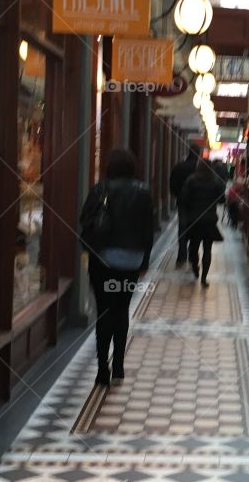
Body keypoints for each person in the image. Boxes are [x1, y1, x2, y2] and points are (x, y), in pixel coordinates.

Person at [79, 147, 155, 387]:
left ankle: (102, 369)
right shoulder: (143, 192)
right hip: (130, 261)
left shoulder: (100, 189)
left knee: (104, 311)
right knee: (122, 309)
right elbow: (148, 229)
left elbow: (85, 220)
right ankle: (119, 366)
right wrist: (145, 260)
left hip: (103, 260)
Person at [179, 158, 225, 287]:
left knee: (193, 246)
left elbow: (184, 198)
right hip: (209, 220)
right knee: (207, 249)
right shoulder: (216, 182)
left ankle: (195, 266)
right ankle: (204, 278)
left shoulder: (191, 180)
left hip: (194, 220)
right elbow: (221, 200)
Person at [169, 148, 198, 266]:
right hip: (197, 204)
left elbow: (172, 183)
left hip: (182, 202)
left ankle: (181, 256)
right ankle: (192, 254)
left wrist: (177, 195)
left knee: (182, 227)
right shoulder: (200, 169)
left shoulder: (178, 167)